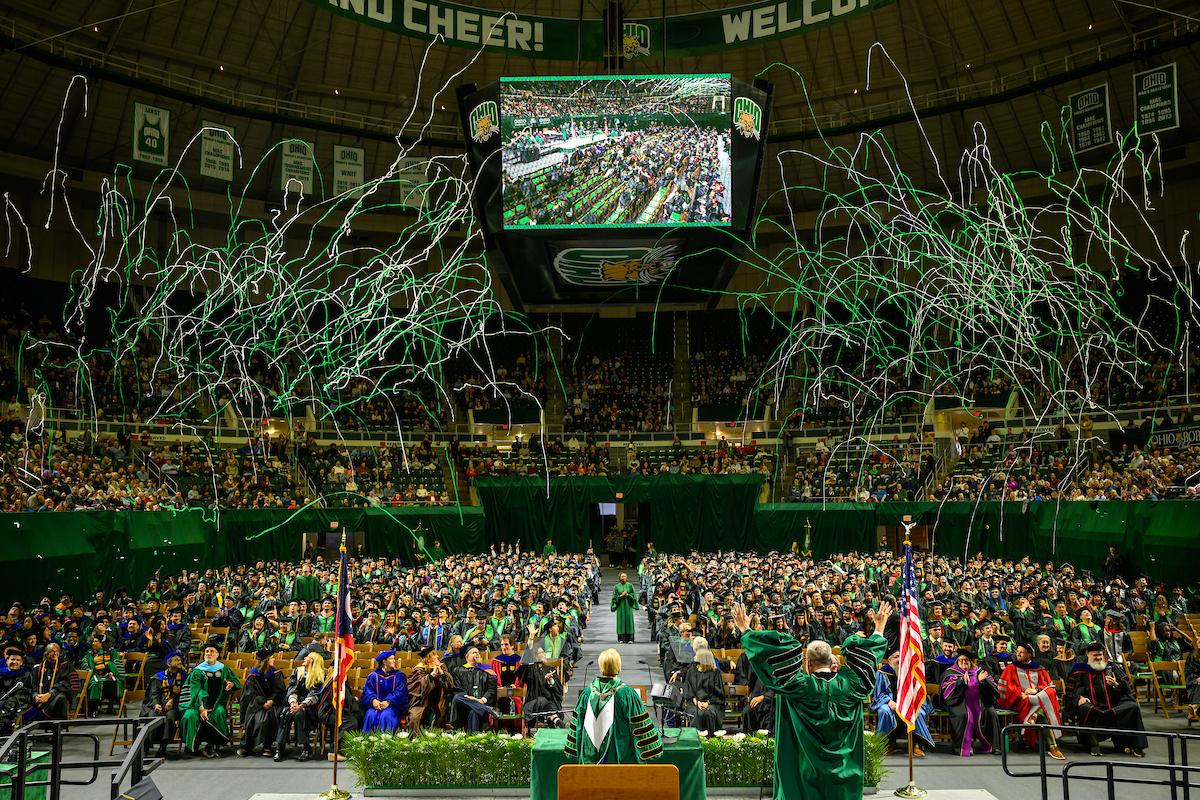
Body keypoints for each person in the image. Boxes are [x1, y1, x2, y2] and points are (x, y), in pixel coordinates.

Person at [734, 600, 890, 800]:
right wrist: (879, 628)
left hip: (804, 774)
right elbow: (868, 657)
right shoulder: (852, 686)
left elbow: (773, 653)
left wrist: (745, 629)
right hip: (844, 775)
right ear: (832, 660)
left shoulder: (797, 686)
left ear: (807, 664)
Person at [564, 648, 662, 764]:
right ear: (619, 668)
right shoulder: (627, 695)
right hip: (621, 766)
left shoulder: (587, 694)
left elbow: (577, 728)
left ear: (601, 668)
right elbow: (641, 728)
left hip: (590, 767)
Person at [1068, 641, 1147, 757]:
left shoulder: (1112, 667)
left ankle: (1135, 745)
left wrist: (1116, 685)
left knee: (1133, 707)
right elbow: (1075, 689)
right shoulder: (1080, 669)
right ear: (1087, 654)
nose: (1099, 658)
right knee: (1085, 707)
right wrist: (1080, 697)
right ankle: (1092, 744)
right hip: (1094, 706)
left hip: (1114, 706)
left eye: (1100, 654)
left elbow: (1126, 688)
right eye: (1095, 655)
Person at [997, 642, 1064, 759]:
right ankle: (1053, 746)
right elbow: (1007, 687)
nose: (1018, 654)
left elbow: (1048, 686)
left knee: (1050, 693)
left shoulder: (1039, 668)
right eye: (1017, 651)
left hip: (1037, 698)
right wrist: (1020, 694)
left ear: (1029, 655)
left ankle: (1033, 717)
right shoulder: (1011, 668)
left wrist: (1036, 690)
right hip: (1022, 700)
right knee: (1046, 706)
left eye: (1021, 652)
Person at [872, 645, 936, 756]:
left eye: (901, 656)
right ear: (889, 660)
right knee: (884, 711)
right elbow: (879, 693)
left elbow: (917, 691)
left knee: (918, 712)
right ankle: (887, 744)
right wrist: (888, 701)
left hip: (908, 703)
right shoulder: (882, 673)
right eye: (896, 657)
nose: (899, 659)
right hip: (889, 703)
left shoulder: (910, 672)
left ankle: (915, 744)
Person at [939, 647, 1003, 757]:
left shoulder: (979, 672)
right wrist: (962, 682)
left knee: (990, 713)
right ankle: (964, 748)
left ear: (971, 662)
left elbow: (994, 690)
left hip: (980, 703)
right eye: (961, 660)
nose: (964, 662)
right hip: (960, 703)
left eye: (967, 660)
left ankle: (992, 747)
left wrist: (982, 682)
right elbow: (948, 693)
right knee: (964, 715)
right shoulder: (951, 673)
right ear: (957, 662)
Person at [180, 645, 241, 758]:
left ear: (217, 655)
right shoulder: (197, 671)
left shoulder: (224, 669)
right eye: (207, 651)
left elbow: (235, 681)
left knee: (219, 712)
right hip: (196, 705)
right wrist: (201, 709)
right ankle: (192, 746)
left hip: (217, 704)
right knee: (189, 716)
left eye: (212, 651)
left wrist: (231, 684)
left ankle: (211, 745)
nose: (208, 653)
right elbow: (196, 692)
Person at [276, 652, 325, 762]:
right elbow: (292, 688)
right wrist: (293, 703)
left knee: (300, 713)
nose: (304, 658)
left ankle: (306, 748)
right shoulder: (298, 671)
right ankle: (280, 748)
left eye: (307, 657)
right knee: (287, 713)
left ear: (313, 661)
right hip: (294, 703)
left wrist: (301, 705)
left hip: (310, 706)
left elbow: (315, 695)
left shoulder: (319, 675)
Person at [238, 649, 285, 757]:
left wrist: (272, 700)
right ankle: (247, 746)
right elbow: (249, 694)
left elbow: (280, 690)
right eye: (271, 658)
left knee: (272, 716)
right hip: (257, 705)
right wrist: (263, 702)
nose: (274, 659)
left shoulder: (276, 673)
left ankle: (267, 746)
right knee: (257, 719)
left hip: (274, 704)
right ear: (266, 660)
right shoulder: (253, 676)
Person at [141, 652, 187, 759]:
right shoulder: (158, 677)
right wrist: (156, 704)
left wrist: (173, 700)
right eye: (176, 660)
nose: (180, 661)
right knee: (153, 718)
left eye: (180, 660)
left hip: (175, 706)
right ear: (169, 663)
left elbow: (185, 694)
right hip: (158, 705)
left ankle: (163, 747)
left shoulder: (184, 677)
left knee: (170, 718)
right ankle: (145, 747)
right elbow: (153, 694)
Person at [679, 636, 725, 733]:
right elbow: (689, 690)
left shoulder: (715, 673)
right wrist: (697, 702)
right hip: (694, 703)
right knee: (697, 713)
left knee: (708, 713)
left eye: (696, 656)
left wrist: (707, 703)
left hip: (713, 704)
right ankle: (696, 739)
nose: (694, 657)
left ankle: (710, 739)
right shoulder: (692, 670)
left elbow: (718, 694)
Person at [406, 645, 455, 734]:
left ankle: (435, 744)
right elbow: (417, 687)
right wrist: (432, 675)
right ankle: (415, 742)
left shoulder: (442, 667)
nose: (437, 657)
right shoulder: (419, 668)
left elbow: (450, 685)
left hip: (439, 702)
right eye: (435, 655)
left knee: (438, 716)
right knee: (414, 718)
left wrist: (442, 673)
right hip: (421, 702)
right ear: (428, 658)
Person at [361, 650, 410, 733]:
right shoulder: (373, 675)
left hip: (392, 706)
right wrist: (373, 700)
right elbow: (368, 691)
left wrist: (388, 701)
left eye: (394, 659)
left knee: (385, 716)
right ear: (384, 662)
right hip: (375, 706)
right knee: (370, 715)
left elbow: (400, 692)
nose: (394, 661)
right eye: (391, 659)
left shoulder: (399, 676)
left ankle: (385, 744)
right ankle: (368, 743)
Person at [24, 642, 73, 723]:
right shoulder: (37, 668)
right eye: (52, 651)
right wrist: (35, 696)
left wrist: (50, 694)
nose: (55, 653)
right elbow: (32, 685)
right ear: (45, 654)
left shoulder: (65, 666)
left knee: (61, 698)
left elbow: (67, 683)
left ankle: (45, 719)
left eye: (57, 651)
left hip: (56, 696)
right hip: (39, 699)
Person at [453, 646, 497, 733]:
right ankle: (485, 708)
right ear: (466, 657)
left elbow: (491, 689)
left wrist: (482, 700)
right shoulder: (458, 670)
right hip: (463, 707)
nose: (477, 654)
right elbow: (456, 688)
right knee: (457, 697)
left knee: (474, 712)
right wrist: (469, 698)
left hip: (480, 704)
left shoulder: (486, 671)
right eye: (474, 652)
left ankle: (473, 740)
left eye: (478, 653)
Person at [82, 635, 123, 716]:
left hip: (109, 673)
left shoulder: (111, 651)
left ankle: (110, 707)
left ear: (102, 643)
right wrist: (94, 661)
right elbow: (85, 665)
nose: (93, 643)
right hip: (95, 674)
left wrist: (109, 667)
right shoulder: (90, 653)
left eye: (96, 641)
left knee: (116, 682)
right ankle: (94, 709)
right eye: (93, 641)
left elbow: (118, 664)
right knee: (96, 683)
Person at [0, 649, 34, 734]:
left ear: (21, 663)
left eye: (18, 660)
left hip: (19, 701)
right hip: (2, 699)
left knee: (8, 705)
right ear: (7, 661)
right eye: (12, 659)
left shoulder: (26, 675)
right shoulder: (1, 673)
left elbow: (26, 693)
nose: (15, 662)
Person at [611, 573, 638, 644]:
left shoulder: (630, 585)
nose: (623, 578)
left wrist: (628, 595)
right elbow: (614, 597)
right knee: (621, 621)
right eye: (622, 576)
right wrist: (620, 596)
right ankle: (621, 639)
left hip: (628, 606)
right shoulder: (616, 587)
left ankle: (631, 638)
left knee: (629, 621)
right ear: (619, 578)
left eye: (625, 576)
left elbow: (634, 596)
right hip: (620, 606)